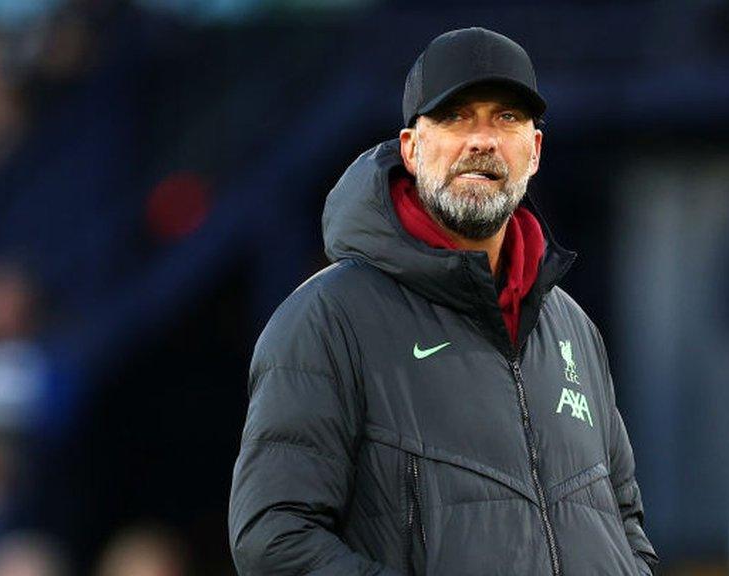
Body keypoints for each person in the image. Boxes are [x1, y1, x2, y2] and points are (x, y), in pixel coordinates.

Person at [228, 27, 658, 576]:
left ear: (535, 151)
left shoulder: (572, 328)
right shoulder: (327, 319)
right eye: (456, 117)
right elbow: (274, 539)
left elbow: (624, 523)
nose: (483, 140)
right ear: (411, 148)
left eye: (506, 118)